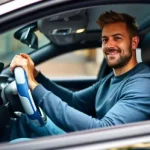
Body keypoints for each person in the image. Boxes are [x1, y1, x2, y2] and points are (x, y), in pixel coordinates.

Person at [10, 10, 150, 133]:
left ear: (134, 43)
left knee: (19, 143)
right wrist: (35, 75)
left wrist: (34, 86)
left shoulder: (143, 85)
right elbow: (74, 101)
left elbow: (103, 130)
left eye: (117, 38)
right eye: (105, 40)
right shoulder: (110, 79)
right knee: (25, 121)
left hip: (103, 143)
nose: (109, 45)